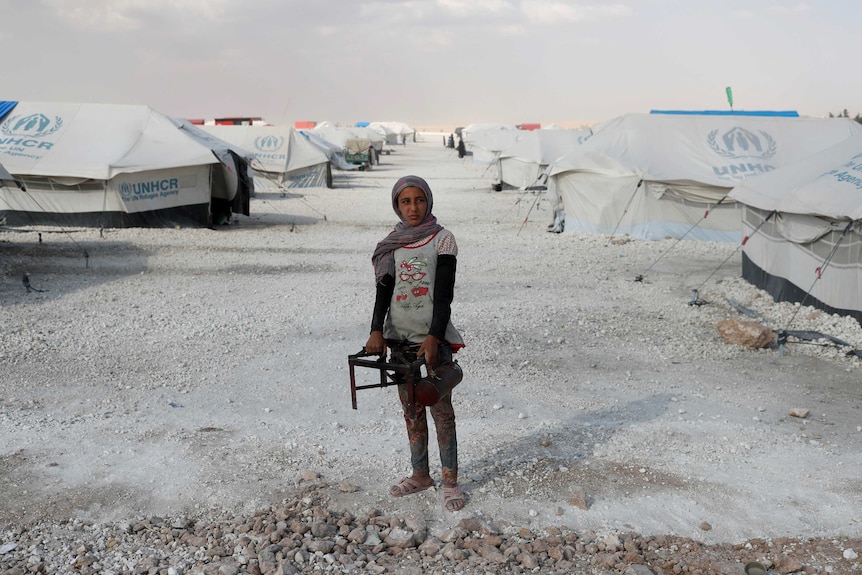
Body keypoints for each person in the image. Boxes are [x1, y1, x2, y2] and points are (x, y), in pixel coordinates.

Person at [365, 175, 466, 512]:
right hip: (400, 341)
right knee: (411, 410)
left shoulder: (443, 240)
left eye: (419, 200)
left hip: (432, 341)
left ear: (429, 202)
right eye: (405, 201)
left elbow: (444, 295)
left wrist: (435, 336)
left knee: (441, 410)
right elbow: (383, 290)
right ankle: (420, 473)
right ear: (396, 204)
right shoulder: (392, 244)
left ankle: (450, 480)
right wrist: (376, 330)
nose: (413, 207)